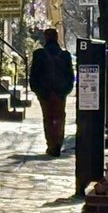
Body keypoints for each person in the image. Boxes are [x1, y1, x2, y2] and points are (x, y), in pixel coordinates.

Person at [29, 27, 74, 156]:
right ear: (57, 37)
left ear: (45, 38)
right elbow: (70, 76)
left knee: (48, 118)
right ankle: (58, 141)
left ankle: (51, 144)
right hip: (60, 92)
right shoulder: (65, 55)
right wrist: (65, 90)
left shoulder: (39, 54)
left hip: (45, 93)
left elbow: (34, 74)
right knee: (60, 117)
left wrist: (38, 90)